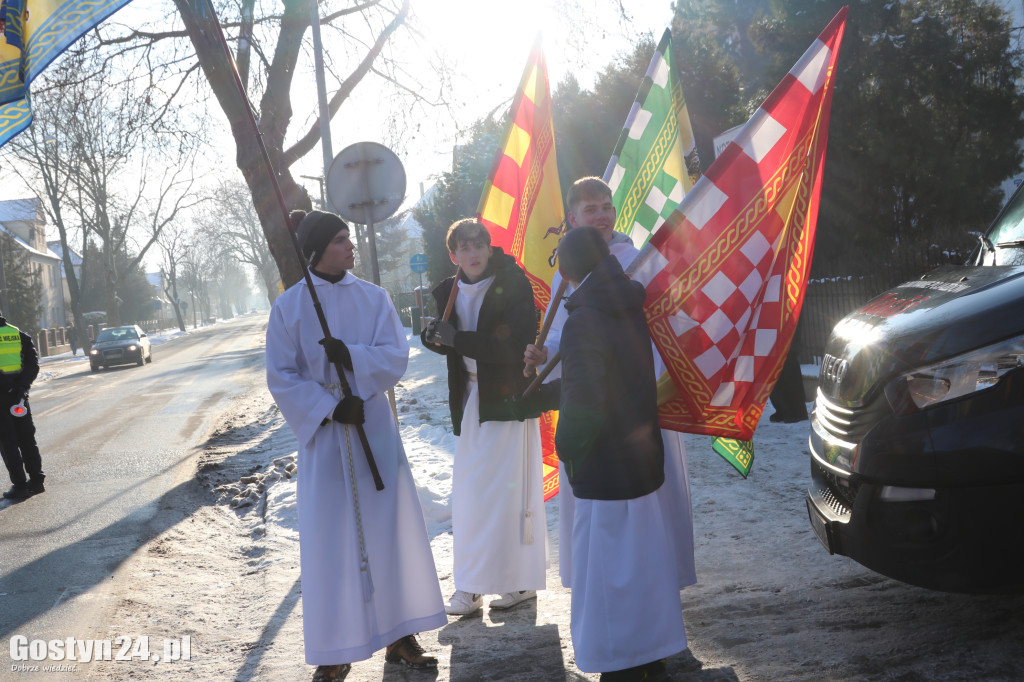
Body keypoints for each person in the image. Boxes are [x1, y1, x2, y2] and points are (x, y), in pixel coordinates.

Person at [265, 209, 446, 682]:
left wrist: (354, 359)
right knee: (333, 544)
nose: (351, 247)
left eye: (349, 238)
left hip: (375, 432)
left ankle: (400, 635)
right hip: (326, 443)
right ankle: (335, 648)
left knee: (389, 536)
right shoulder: (289, 306)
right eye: (342, 239)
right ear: (319, 247)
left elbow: (395, 356)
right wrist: (328, 408)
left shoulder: (375, 297)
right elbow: (280, 376)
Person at [523, 226, 687, 681]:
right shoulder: (623, 303)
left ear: (570, 270)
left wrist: (569, 448)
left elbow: (587, 397)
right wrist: (547, 394)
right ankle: (652, 652)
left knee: (611, 568)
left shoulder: (585, 316)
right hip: (639, 453)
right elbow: (608, 379)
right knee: (644, 563)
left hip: (606, 462)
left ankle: (621, 661)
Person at [524, 177, 697, 593]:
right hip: (590, 404)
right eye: (591, 209)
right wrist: (543, 354)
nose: (602, 215)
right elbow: (561, 336)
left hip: (639, 398)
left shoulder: (639, 260)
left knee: (650, 502)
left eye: (607, 206)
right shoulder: (565, 268)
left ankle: (659, 585)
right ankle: (602, 585)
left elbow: (664, 324)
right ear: (572, 216)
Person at [421, 219, 546, 615]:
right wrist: (435, 338)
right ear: (453, 254)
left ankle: (519, 581)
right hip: (471, 399)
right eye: (465, 247)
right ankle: (472, 585)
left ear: (490, 248)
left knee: (506, 495)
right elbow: (453, 346)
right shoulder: (449, 290)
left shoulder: (513, 282)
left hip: (507, 400)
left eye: (480, 244)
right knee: (472, 494)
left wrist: (455, 339)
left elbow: (511, 348)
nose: (473, 253)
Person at [0, 312, 44, 500]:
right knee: (27, 439)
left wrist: (6, 386)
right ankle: (37, 481)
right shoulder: (19, 335)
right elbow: (33, 365)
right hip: (19, 397)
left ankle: (20, 486)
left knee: (7, 442)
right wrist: (22, 386)